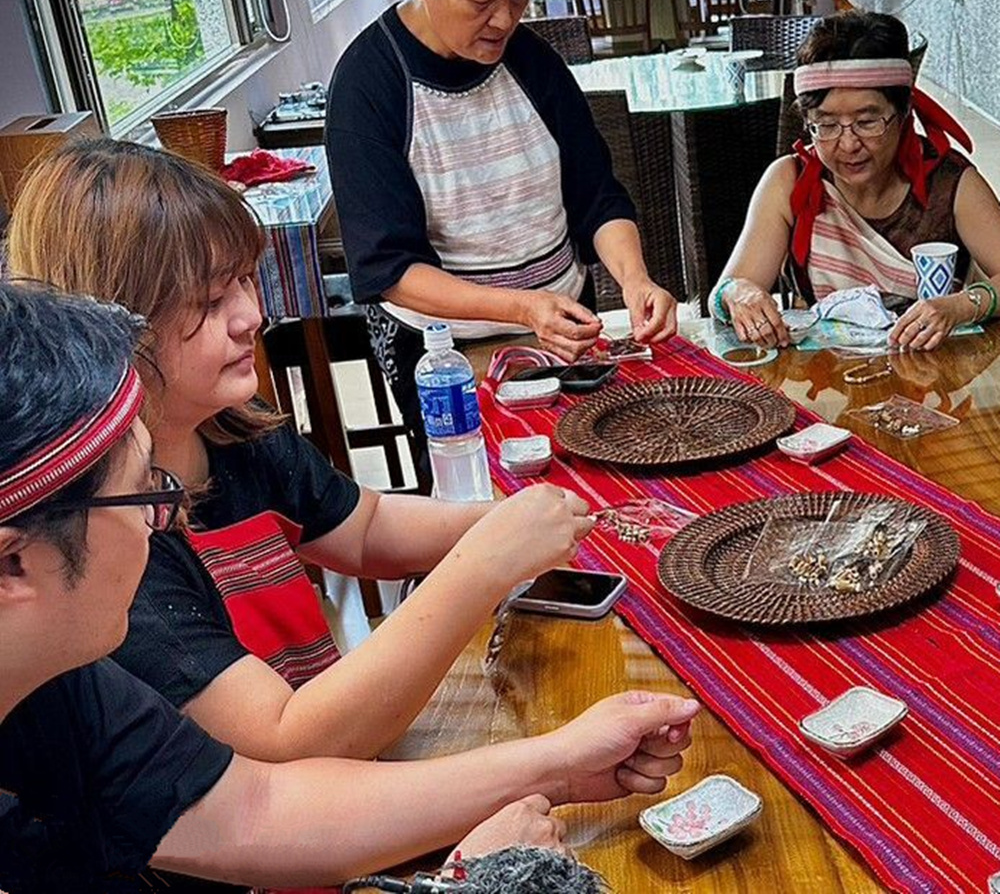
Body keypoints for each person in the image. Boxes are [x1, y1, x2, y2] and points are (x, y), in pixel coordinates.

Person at [0, 281, 702, 893]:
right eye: (139, 497)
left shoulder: (56, 681)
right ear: (13, 563)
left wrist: (562, 765)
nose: (164, 519)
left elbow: (257, 806)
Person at [8, 137, 628, 769]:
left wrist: (511, 520)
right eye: (209, 300)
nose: (251, 316)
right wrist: (480, 565)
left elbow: (365, 528)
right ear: (118, 323)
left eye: (246, 281)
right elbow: (286, 741)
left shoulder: (234, 433)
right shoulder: (115, 539)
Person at [325, 0, 678, 460]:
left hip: (562, 331)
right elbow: (388, 269)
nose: (506, 19)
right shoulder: (370, 85)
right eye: (482, 0)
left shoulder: (531, 60)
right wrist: (520, 308)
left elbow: (597, 198)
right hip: (443, 354)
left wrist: (635, 280)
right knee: (495, 499)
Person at [712, 10, 1000, 353]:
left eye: (867, 122)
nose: (848, 145)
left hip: (939, 376)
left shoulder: (951, 185)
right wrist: (739, 294)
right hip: (830, 378)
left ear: (904, 112)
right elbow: (726, 292)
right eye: (827, 125)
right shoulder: (789, 182)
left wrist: (961, 306)